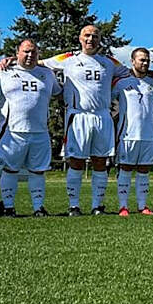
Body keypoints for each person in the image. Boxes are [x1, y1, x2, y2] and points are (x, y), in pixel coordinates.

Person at [42, 25, 132, 216]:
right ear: (80, 38)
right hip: (78, 116)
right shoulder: (67, 59)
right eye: (87, 35)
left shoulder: (108, 62)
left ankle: (97, 206)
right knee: (76, 161)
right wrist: (9, 62)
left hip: (102, 116)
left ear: (100, 40)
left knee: (101, 161)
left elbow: (129, 73)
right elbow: (38, 63)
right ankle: (74, 205)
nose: (91, 39)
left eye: (95, 36)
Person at [0, 39, 61, 216]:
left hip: (40, 132)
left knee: (38, 171)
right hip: (12, 131)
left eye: (33, 51)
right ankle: (8, 207)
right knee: (9, 170)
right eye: (26, 51)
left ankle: (38, 208)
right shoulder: (3, 70)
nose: (30, 55)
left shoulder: (47, 74)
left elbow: (60, 93)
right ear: (17, 53)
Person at [111, 47, 153, 215]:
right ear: (132, 61)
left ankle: (142, 206)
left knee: (144, 170)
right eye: (141, 59)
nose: (145, 63)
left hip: (149, 135)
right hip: (127, 134)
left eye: (147, 60)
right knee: (125, 169)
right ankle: (123, 206)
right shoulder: (121, 82)